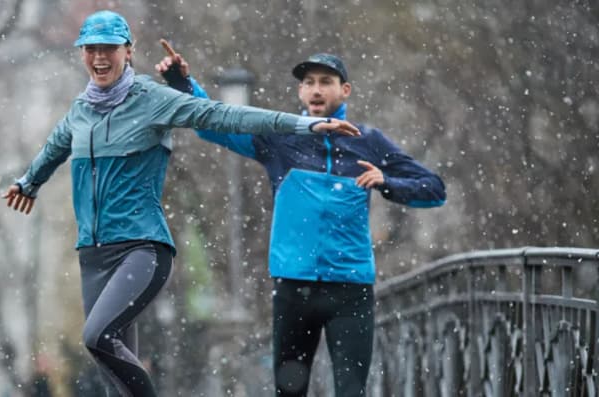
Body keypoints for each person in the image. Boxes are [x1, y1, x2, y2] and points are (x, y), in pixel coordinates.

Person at [1, 10, 359, 397]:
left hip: (142, 248)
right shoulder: (80, 110)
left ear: (128, 51)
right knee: (113, 370)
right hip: (92, 253)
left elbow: (222, 115)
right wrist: (28, 182)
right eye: (91, 49)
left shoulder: (152, 99)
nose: (99, 57)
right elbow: (54, 148)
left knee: (98, 336)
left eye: (108, 49)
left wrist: (304, 124)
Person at [157, 50, 447, 396]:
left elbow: (435, 190)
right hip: (294, 289)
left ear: (346, 90)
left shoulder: (368, 142)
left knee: (351, 391)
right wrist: (183, 84)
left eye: (326, 81)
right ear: (300, 92)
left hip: (351, 291)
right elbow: (214, 124)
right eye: (309, 82)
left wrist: (387, 183)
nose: (316, 89)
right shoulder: (281, 138)